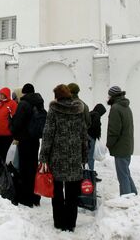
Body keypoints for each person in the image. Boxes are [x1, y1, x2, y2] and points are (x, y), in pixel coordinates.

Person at [39, 84, 88, 232]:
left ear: (57, 96)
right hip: (74, 157)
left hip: (57, 157)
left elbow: (48, 134)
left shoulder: (54, 110)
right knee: (73, 193)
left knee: (58, 192)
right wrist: (84, 156)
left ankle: (59, 222)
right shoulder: (79, 109)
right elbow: (83, 134)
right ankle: (71, 223)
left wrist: (43, 156)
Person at [10, 83, 44, 207]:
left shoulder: (23, 103)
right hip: (35, 140)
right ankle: (36, 197)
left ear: (23, 93)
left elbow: (18, 122)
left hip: (24, 140)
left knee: (24, 169)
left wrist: (11, 125)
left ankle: (26, 198)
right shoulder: (39, 102)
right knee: (33, 167)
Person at [106, 85, 137, 196]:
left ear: (112, 96)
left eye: (109, 95)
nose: (108, 98)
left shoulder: (115, 108)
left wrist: (109, 144)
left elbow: (114, 130)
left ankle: (126, 197)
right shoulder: (126, 107)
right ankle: (133, 193)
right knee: (126, 172)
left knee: (122, 175)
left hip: (120, 147)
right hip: (127, 145)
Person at [0, 87, 17, 162]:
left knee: (6, 156)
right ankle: (0, 171)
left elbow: (15, 118)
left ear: (7, 95)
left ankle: (6, 171)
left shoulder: (12, 104)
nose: (0, 96)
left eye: (2, 94)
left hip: (8, 135)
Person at [87, 103, 107, 175]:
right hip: (91, 137)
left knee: (87, 156)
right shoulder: (96, 115)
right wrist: (98, 136)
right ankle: (90, 174)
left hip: (87, 137)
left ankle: (87, 172)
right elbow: (96, 127)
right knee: (91, 157)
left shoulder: (90, 113)